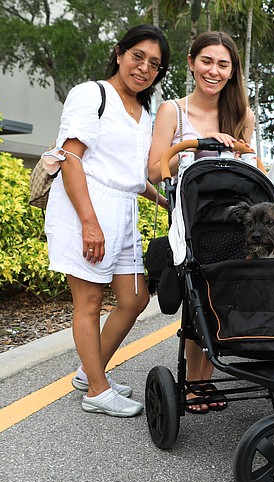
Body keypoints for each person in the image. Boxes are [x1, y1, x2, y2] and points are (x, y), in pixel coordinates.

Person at [45, 25, 170, 417]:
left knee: (134, 299)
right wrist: (89, 222)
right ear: (119, 54)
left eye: (154, 64)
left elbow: (132, 176)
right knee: (90, 300)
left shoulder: (144, 110)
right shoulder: (92, 93)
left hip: (123, 210)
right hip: (87, 204)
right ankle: (97, 390)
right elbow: (72, 158)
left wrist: (166, 203)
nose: (144, 68)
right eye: (138, 56)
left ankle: (89, 371)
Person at [148, 31, 255, 414]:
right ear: (192, 62)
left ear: (231, 71)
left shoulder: (242, 114)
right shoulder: (171, 112)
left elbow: (249, 168)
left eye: (222, 64)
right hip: (193, 218)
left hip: (233, 217)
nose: (214, 70)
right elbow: (155, 168)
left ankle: (205, 377)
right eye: (206, 61)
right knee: (199, 298)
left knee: (224, 297)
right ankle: (197, 383)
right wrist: (200, 144)